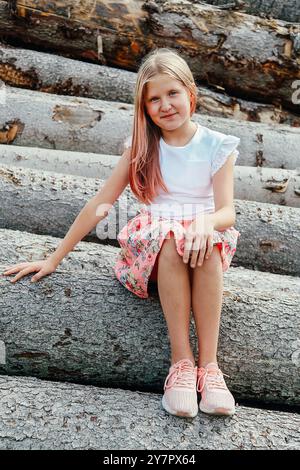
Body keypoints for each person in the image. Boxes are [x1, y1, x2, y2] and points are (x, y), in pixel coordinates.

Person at [2, 47, 240, 419]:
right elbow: (102, 203)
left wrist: (203, 224)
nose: (165, 105)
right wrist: (54, 257)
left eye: (172, 94)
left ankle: (209, 369)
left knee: (204, 244)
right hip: (157, 249)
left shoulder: (217, 145)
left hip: (202, 241)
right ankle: (181, 364)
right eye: (154, 99)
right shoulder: (144, 149)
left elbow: (226, 211)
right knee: (172, 242)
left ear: (191, 94)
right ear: (144, 109)